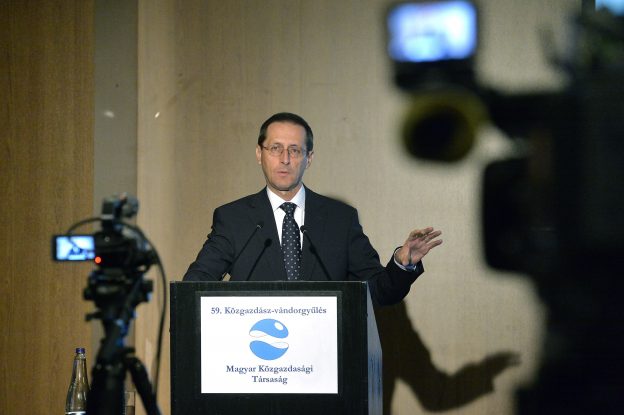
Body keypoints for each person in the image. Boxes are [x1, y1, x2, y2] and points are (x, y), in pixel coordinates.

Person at [183, 112, 442, 306]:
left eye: (295, 150)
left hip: (324, 355)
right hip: (257, 354)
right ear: (259, 154)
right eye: (275, 148)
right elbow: (194, 286)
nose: (285, 159)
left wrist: (402, 263)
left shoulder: (341, 219)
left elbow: (378, 292)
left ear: (309, 158)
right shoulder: (233, 219)